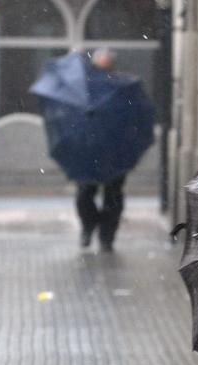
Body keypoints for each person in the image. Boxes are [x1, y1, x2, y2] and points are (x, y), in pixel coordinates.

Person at [75, 48, 126, 252]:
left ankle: (107, 236)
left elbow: (131, 119)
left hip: (116, 152)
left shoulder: (122, 89)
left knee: (113, 197)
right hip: (89, 151)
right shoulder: (84, 90)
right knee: (85, 194)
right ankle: (89, 225)